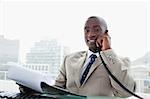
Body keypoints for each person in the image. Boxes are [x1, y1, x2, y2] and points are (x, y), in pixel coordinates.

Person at [54, 16, 136, 97]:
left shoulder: (119, 62)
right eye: (87, 30)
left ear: (106, 33)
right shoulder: (69, 59)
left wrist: (107, 50)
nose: (90, 35)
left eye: (96, 30)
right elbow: (55, 89)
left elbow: (126, 92)